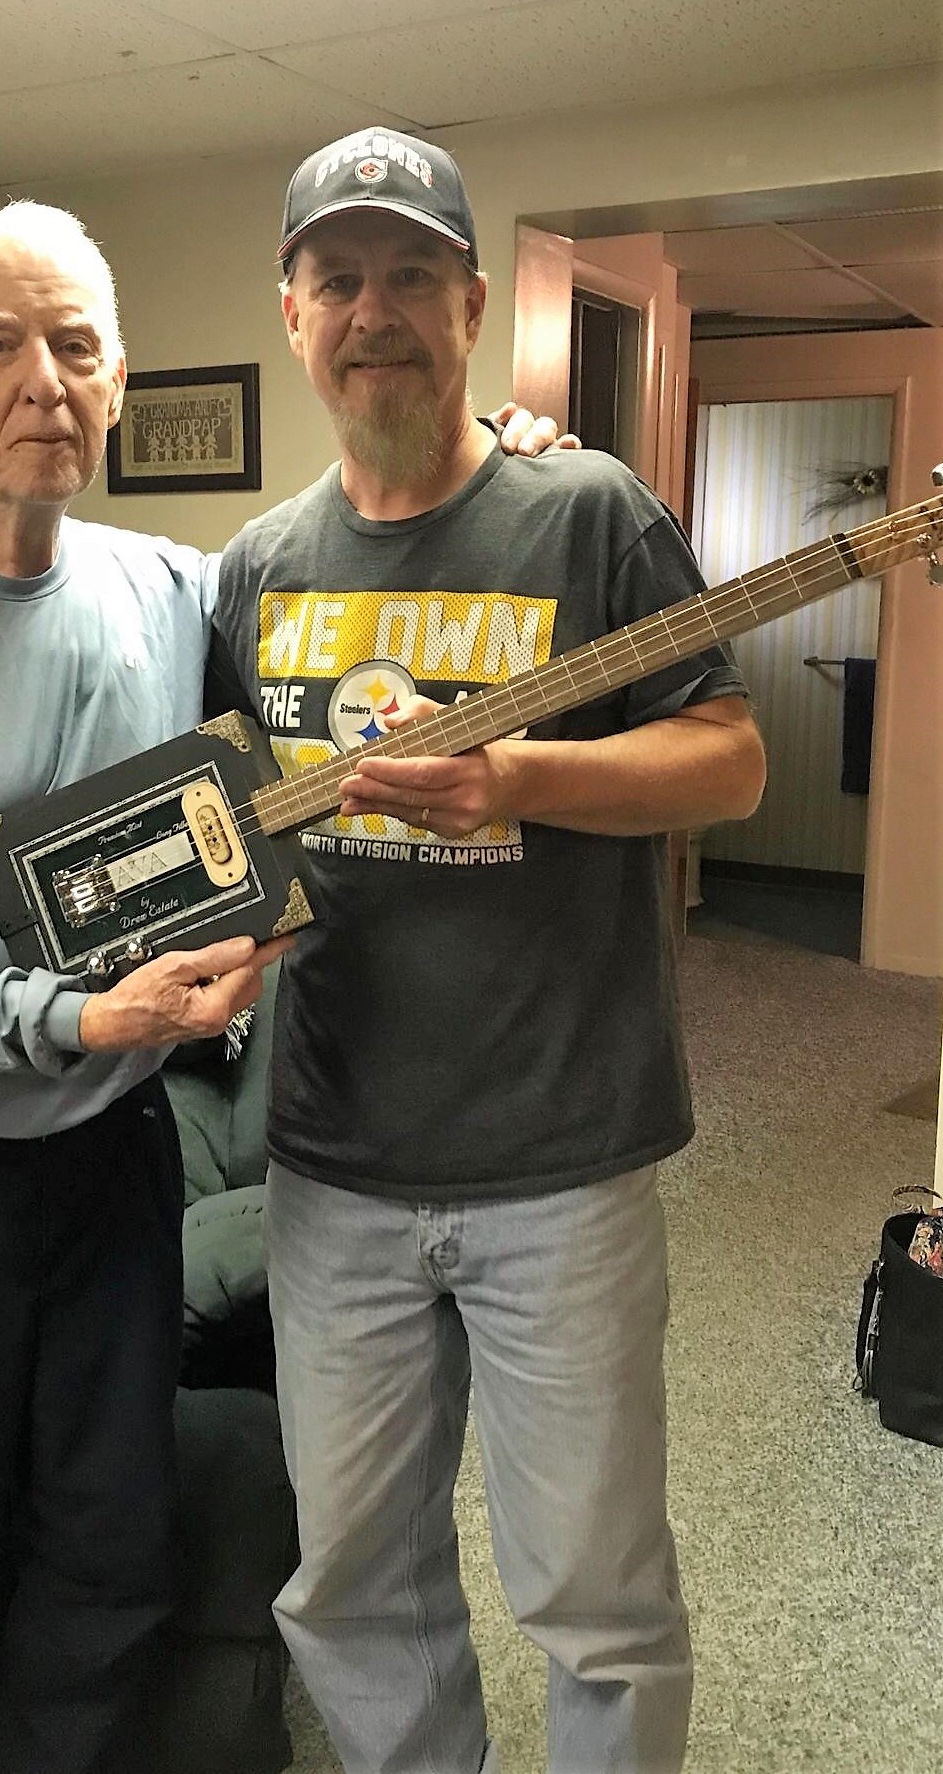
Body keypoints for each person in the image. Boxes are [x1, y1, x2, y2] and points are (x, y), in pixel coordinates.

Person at [0, 197, 567, 1774]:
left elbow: (349, 637)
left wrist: (498, 458)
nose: (41, 379)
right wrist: (77, 1019)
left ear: (119, 379)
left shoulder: (178, 592)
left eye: (74, 344)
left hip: (103, 1177)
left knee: (102, 1569)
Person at [212, 129, 768, 1774]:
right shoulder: (254, 567)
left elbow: (727, 756)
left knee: (593, 1592)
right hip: (334, 1162)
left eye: (405, 277)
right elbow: (233, 827)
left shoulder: (586, 509)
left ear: (468, 305)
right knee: (354, 1583)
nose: (370, 310)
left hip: (561, 1156)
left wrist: (518, 776)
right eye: (337, 280)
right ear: (294, 314)